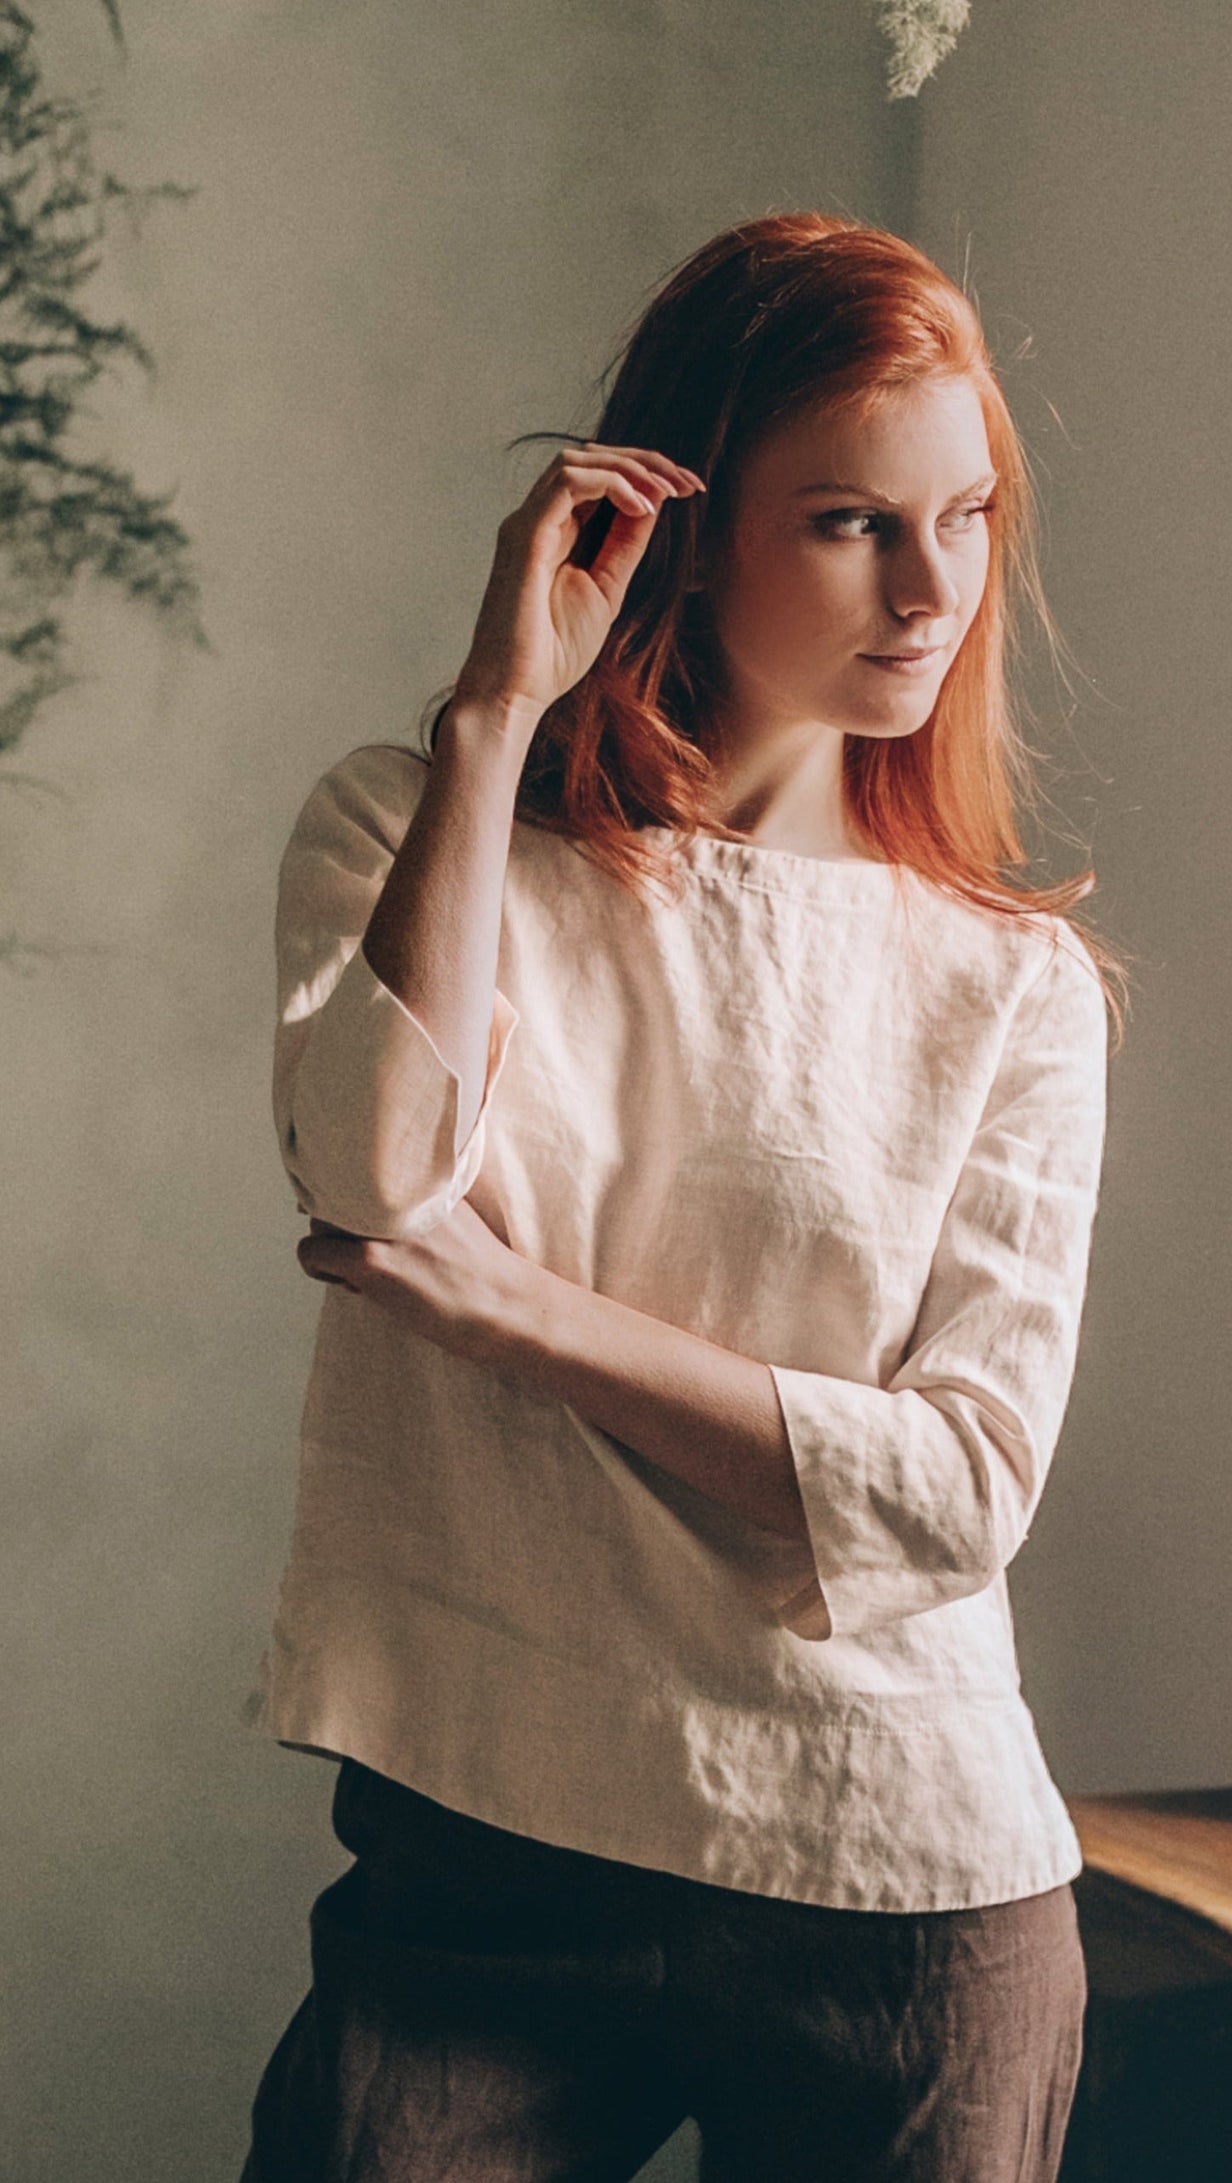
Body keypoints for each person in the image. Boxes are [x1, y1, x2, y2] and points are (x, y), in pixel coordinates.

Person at [237, 209, 1129, 2183]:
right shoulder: (407, 826)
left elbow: (960, 1494)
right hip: (488, 1838)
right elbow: (379, 1175)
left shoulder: (1013, 985)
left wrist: (526, 1319)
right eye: (849, 522)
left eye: (968, 517)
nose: (933, 590)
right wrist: (495, 719)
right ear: (683, 521)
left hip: (902, 1890)